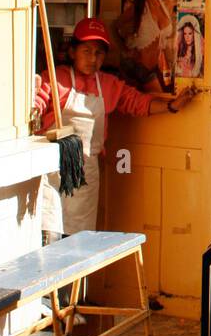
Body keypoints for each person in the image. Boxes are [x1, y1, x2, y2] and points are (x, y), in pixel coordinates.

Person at [35, 17, 197, 238]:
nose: (93, 59)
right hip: (53, 174)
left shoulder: (109, 85)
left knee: (78, 245)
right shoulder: (56, 79)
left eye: (99, 53)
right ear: (73, 52)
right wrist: (34, 107)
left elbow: (139, 103)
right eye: (86, 51)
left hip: (85, 175)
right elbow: (38, 100)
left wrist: (172, 105)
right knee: (49, 238)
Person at [114, 0, 175, 91]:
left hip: (157, 69)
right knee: (161, 104)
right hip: (136, 68)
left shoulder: (164, 4)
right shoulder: (137, 7)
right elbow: (114, 26)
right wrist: (125, 50)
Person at [175, 13, 204, 79]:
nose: (187, 37)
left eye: (190, 33)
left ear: (194, 34)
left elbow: (197, 71)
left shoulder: (199, 50)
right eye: (185, 34)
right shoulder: (180, 49)